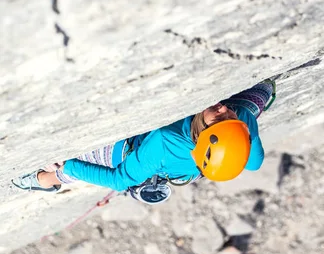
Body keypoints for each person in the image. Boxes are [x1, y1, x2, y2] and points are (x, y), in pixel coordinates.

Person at [12, 80, 275, 198]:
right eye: (226, 112)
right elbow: (253, 164)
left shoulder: (164, 143)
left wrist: (68, 166)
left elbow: (119, 180)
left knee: (67, 168)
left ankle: (43, 181)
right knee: (257, 99)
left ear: (207, 134)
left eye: (218, 116)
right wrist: (243, 127)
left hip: (131, 155)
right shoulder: (241, 122)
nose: (222, 108)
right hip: (194, 169)